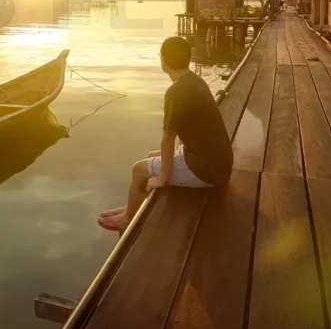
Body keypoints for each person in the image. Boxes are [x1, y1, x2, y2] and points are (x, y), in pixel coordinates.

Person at [97, 36, 233, 231]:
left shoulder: (176, 92)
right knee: (151, 157)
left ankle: (127, 219)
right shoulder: (195, 81)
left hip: (208, 172)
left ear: (163, 60)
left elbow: (168, 138)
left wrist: (162, 178)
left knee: (138, 169)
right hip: (219, 163)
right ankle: (132, 207)